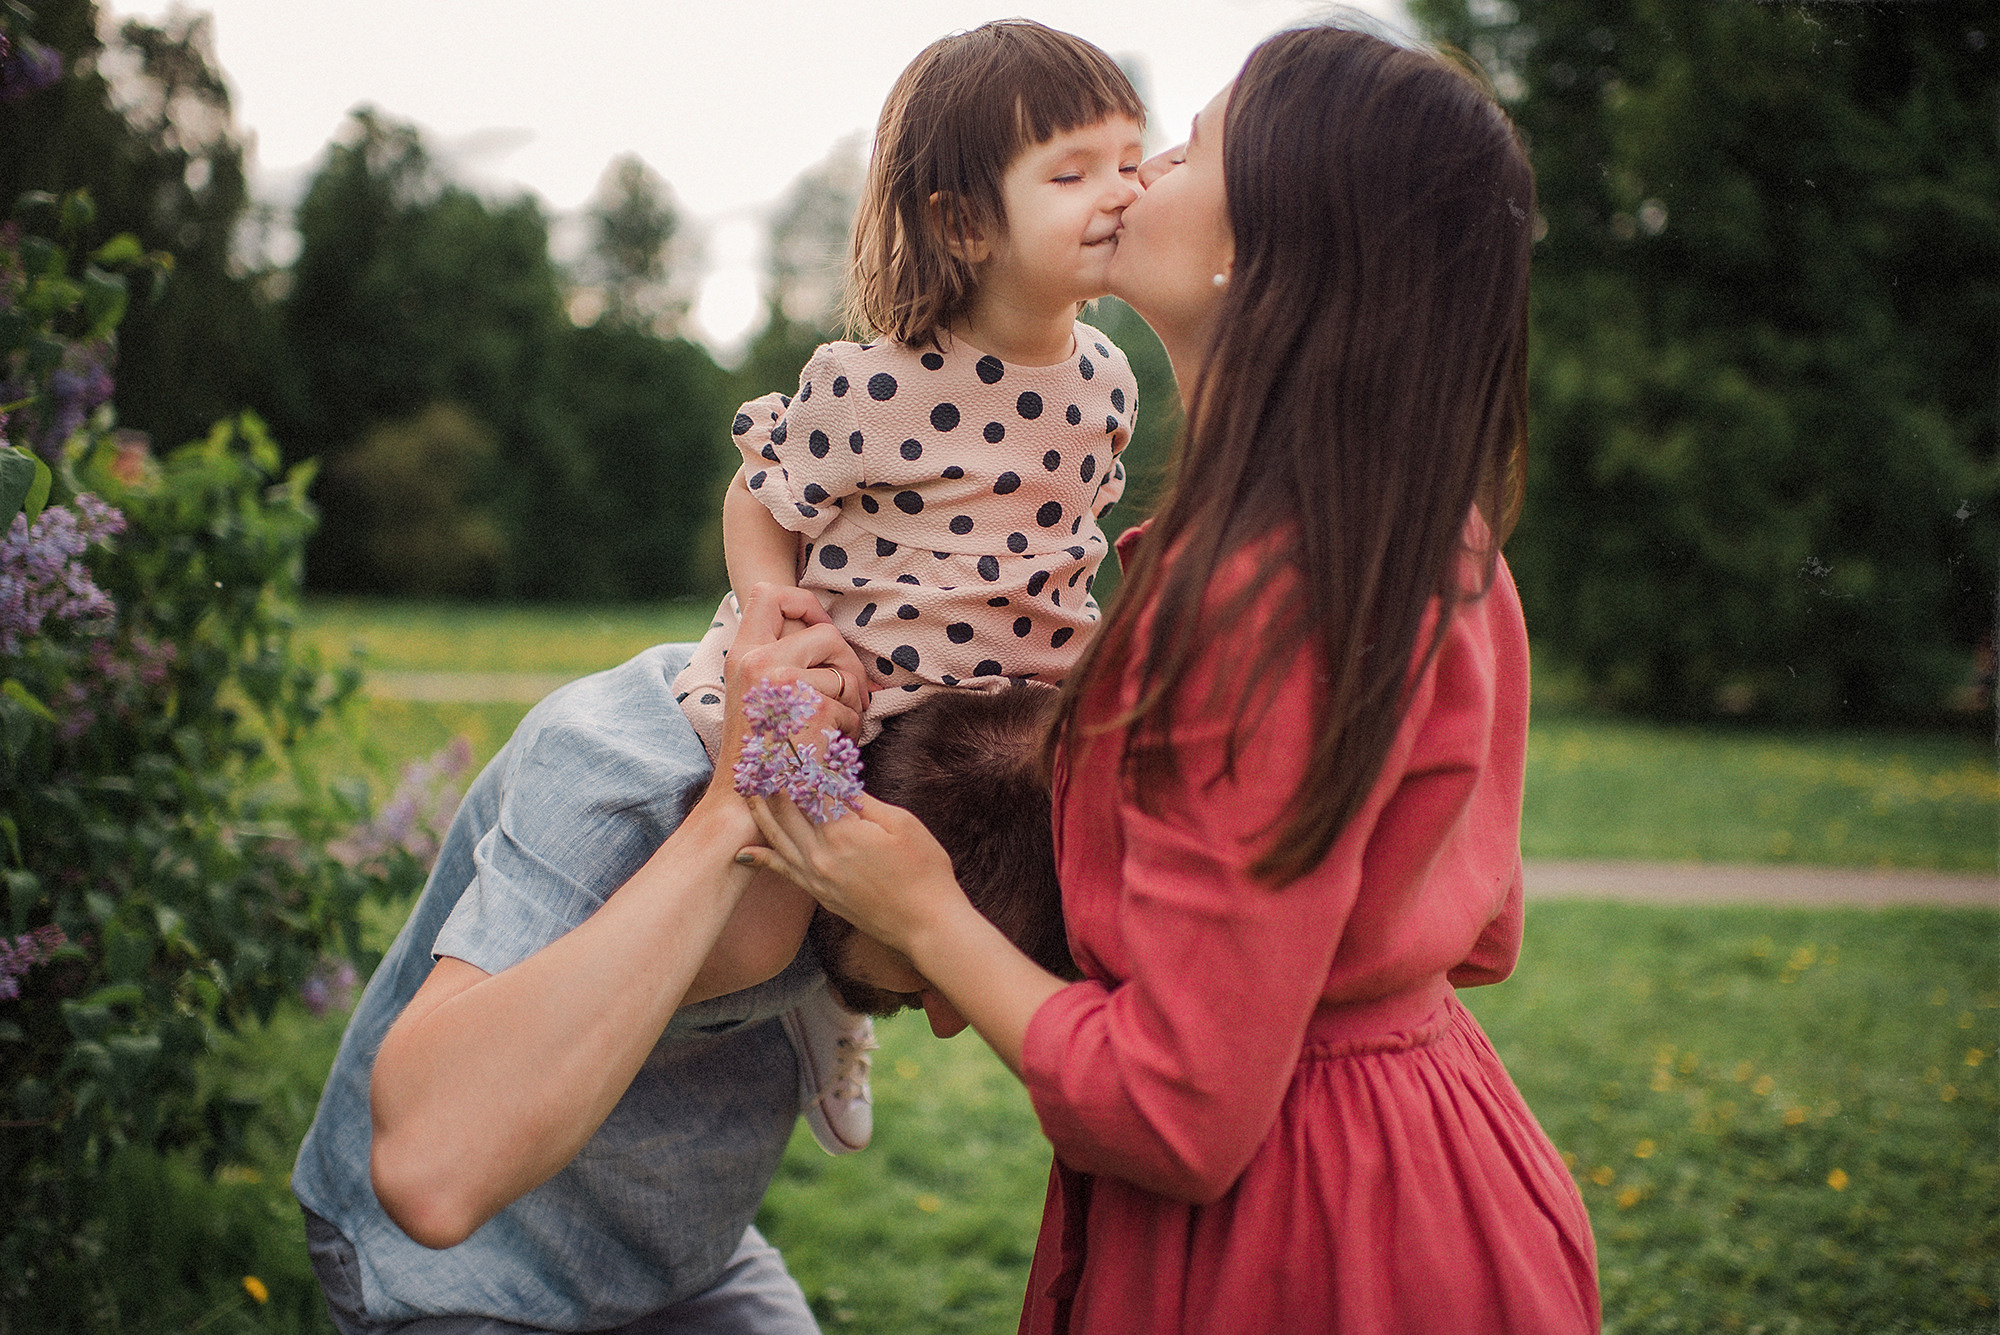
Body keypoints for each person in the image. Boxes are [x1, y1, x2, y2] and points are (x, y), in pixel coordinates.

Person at [740, 23, 1603, 1335]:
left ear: (1256, 250)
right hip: (1443, 1170)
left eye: (1185, 146)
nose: (1135, 175)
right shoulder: (1433, 538)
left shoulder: (1262, 602)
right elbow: (1472, 926)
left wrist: (927, 914)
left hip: (1293, 1248)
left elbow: (1177, 1108)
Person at [290, 586, 1073, 1334]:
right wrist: (735, 805)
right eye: (930, 967)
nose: (945, 1021)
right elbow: (430, 1175)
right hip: (467, 1274)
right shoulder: (617, 766)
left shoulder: (940, 784)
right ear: (852, 827)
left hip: (681, 1254)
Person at [670, 17, 1145, 1157]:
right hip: (866, 671)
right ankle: (822, 1011)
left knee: (1052, 873)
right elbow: (763, 495)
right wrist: (765, 610)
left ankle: (1026, 1028)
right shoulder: (873, 382)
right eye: (1072, 173)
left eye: (1131, 161)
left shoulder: (1108, 376)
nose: (1120, 193)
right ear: (965, 222)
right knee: (767, 858)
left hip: (1015, 684)